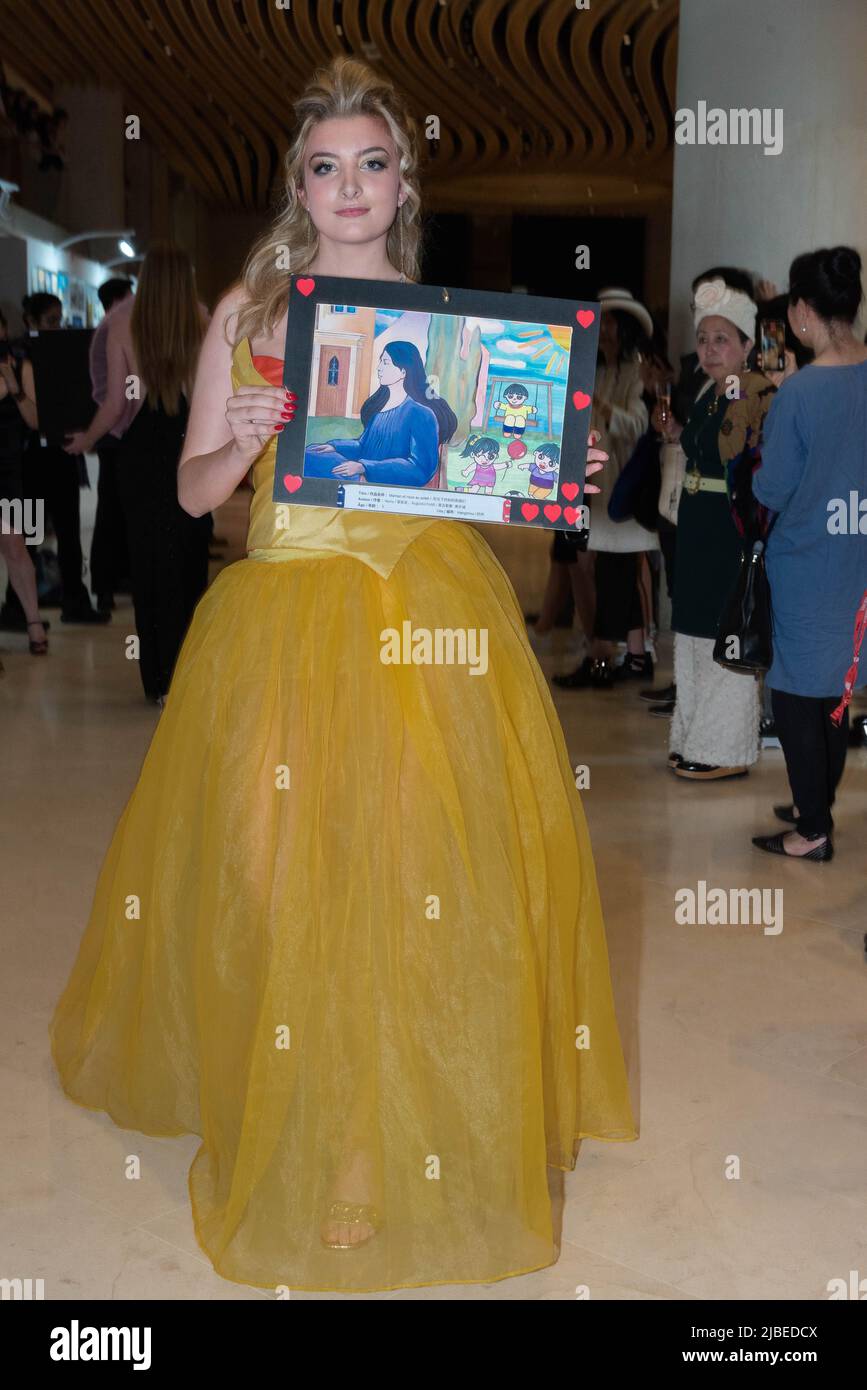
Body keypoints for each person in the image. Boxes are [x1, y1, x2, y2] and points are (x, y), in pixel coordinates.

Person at [49, 56, 636, 1294]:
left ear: (401, 177)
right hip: (283, 628)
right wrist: (246, 440)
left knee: (413, 886)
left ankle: (377, 1152)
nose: (351, 185)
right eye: (327, 166)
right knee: (277, 891)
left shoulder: (448, 320)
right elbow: (193, 488)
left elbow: (488, 490)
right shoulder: (247, 313)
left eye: (373, 163)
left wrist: (558, 476)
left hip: (430, 624)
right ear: (300, 184)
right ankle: (297, 1113)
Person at [751, 247, 867, 860]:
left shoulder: (799, 395)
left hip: (806, 559)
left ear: (802, 313)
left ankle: (811, 829)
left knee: (796, 690)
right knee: (839, 687)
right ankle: (813, 801)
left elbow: (773, 488)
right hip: (858, 562)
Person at [62, 244, 212, 705]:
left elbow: (115, 405)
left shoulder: (123, 323)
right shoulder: (202, 318)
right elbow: (207, 391)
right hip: (190, 442)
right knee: (188, 558)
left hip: (142, 449)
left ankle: (158, 678)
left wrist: (85, 440)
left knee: (149, 564)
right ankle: (188, 673)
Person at [668, 278, 776, 780]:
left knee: (722, 630)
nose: (709, 350)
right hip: (696, 527)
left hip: (729, 528)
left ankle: (723, 746)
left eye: (722, 340)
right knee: (691, 628)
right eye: (704, 338)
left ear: (747, 345)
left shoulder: (756, 392)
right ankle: (691, 732)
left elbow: (748, 460)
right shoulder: (711, 389)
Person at [552, 287, 656, 690]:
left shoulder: (635, 372)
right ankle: (629, 655)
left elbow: (638, 425)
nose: (605, 330)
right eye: (603, 322)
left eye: (611, 322)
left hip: (621, 491)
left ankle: (604, 658)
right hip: (594, 489)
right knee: (609, 573)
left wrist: (602, 407)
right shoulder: (596, 370)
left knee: (615, 574)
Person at [0, 294, 108, 627]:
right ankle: (19, 607)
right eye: (50, 320)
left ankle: (70, 600)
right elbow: (34, 416)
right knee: (29, 537)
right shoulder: (22, 358)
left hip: (55, 455)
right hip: (31, 461)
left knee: (67, 531)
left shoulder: (54, 353)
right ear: (30, 321)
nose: (56, 327)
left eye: (59, 320)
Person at [0, 307, 47, 656]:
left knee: (18, 547)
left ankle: (34, 624)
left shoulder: (21, 366)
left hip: (12, 472)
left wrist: (15, 391)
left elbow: (35, 420)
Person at [87, 278, 135, 613]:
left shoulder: (110, 327)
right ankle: (107, 582)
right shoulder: (118, 326)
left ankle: (111, 581)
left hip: (114, 434)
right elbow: (115, 398)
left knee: (113, 509)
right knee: (115, 510)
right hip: (120, 434)